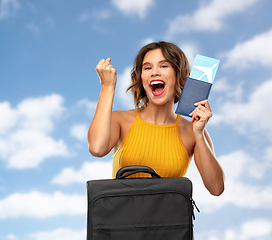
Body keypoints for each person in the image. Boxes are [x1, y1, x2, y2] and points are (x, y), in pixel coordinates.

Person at [87, 41, 224, 196]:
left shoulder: (193, 131)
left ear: (178, 75)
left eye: (164, 66)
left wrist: (199, 134)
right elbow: (97, 149)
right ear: (141, 79)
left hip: (170, 219)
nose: (154, 72)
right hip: (122, 218)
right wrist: (107, 87)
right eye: (147, 67)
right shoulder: (120, 120)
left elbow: (216, 188)